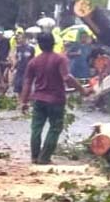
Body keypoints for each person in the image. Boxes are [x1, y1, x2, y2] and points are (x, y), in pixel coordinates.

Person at [20, 32, 92, 165]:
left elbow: (27, 82)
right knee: (55, 128)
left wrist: (23, 102)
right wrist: (82, 90)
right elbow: (67, 77)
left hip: (39, 100)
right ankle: (44, 157)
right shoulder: (60, 59)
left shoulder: (34, 62)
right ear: (53, 43)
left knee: (36, 128)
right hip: (56, 100)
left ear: (39, 45)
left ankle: (35, 156)